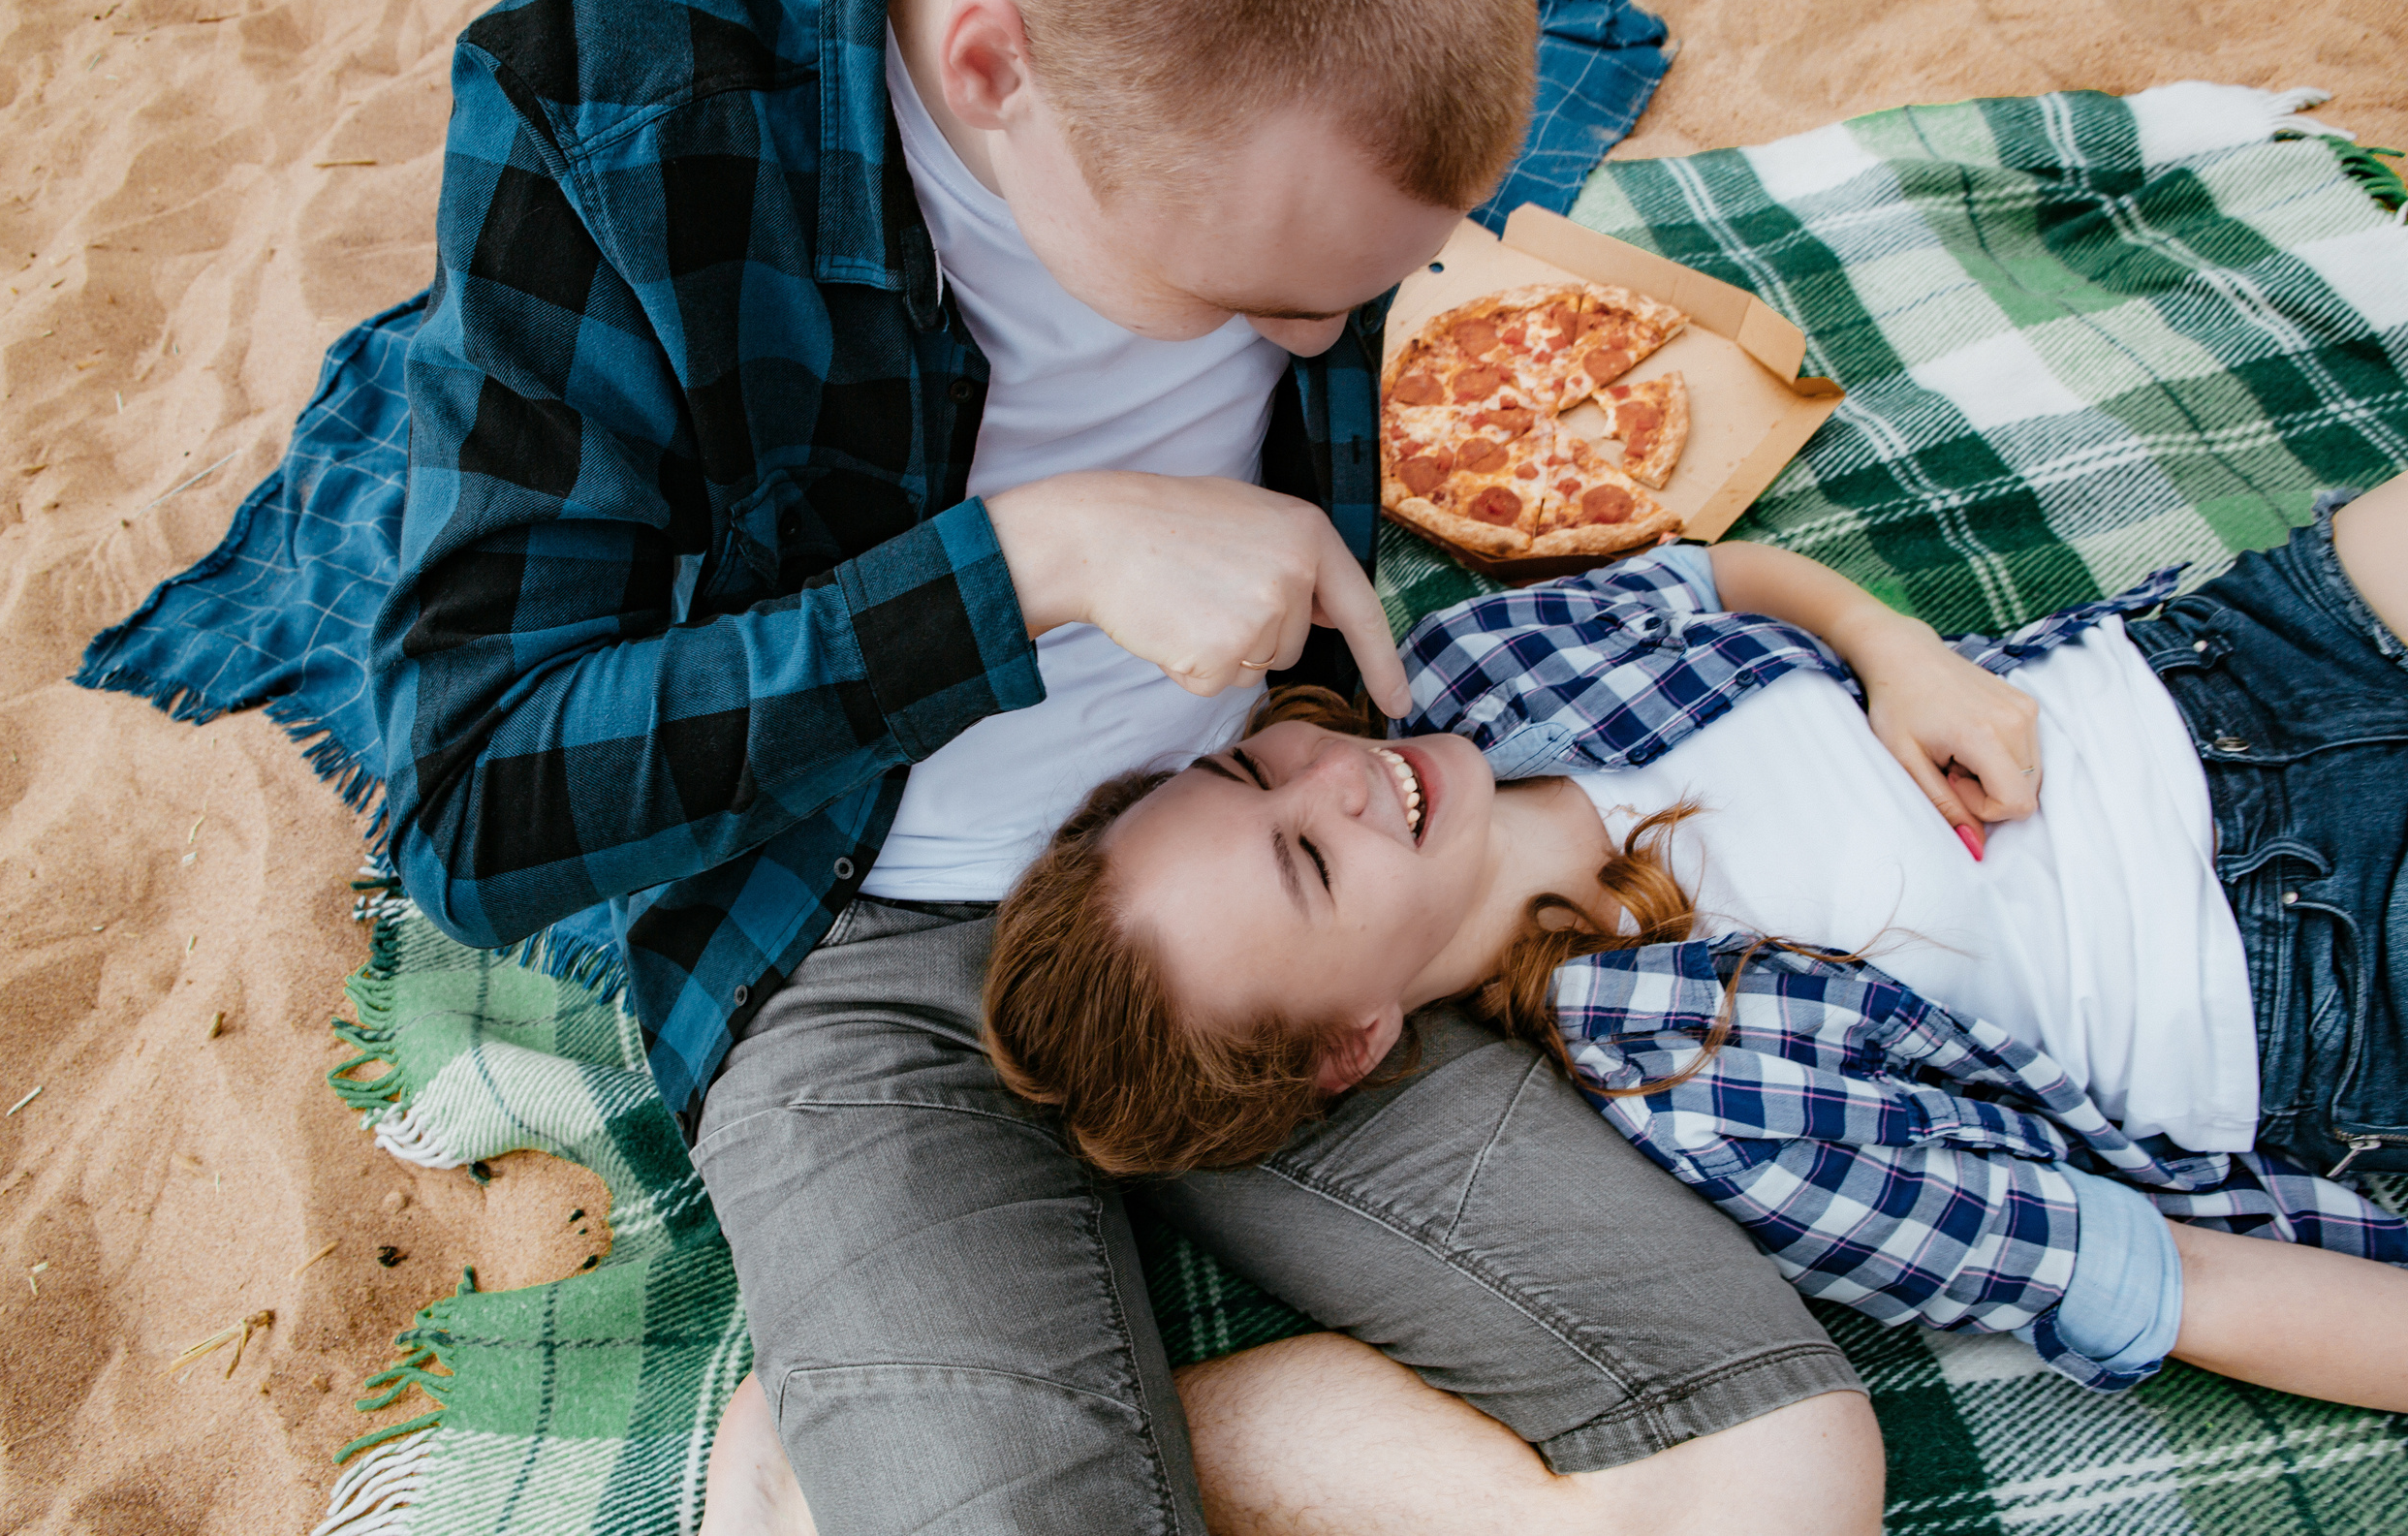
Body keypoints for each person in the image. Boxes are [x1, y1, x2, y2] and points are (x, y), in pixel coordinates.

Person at [368, 0, 1885, 1530]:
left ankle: (905, 1417)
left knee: (1783, 1472)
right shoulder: (626, 87)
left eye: (1364, 291)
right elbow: (475, 804)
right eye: (1256, 298)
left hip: (1265, 866)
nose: (1328, 337)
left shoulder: (1327, 17)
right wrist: (1026, 564)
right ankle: (933, 1404)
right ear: (991, 63)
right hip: (833, 941)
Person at [987, 477, 2408, 1411]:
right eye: (1307, 863)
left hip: (2225, 663)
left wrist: (1895, 646)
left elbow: (1717, 577)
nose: (1335, 779)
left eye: (1250, 775)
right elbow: (2170, 1280)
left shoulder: (1475, 662)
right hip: (2307, 973)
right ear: (1354, 1037)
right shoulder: (1699, 1090)